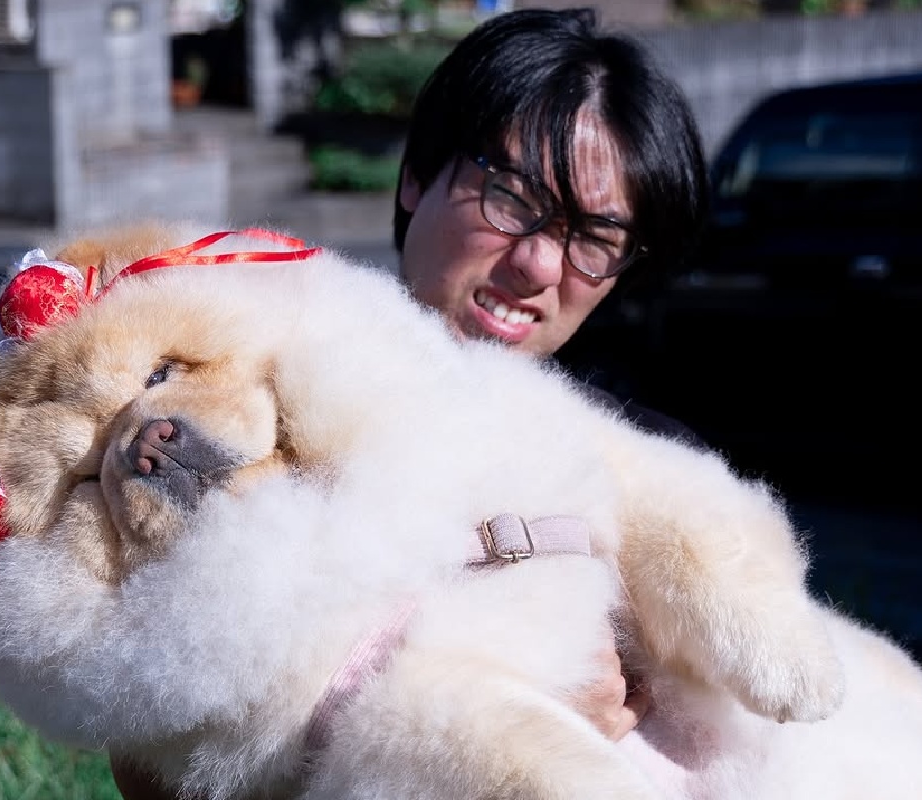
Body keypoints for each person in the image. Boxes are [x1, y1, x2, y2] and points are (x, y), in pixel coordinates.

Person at [113, 6, 709, 797]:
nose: (538, 264)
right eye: (512, 197)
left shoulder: (654, 476)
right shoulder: (250, 412)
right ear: (417, 177)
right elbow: (148, 757)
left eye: (594, 239)